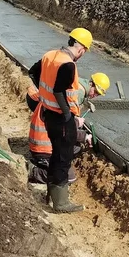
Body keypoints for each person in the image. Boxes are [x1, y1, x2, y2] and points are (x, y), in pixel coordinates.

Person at [30, 28, 97, 213]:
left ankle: (51, 196)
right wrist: (67, 114)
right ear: (82, 48)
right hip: (61, 118)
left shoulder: (50, 55)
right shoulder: (68, 65)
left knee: (56, 156)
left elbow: (33, 73)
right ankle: (61, 203)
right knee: (63, 158)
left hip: (48, 113)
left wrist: (45, 95)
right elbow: (60, 91)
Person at [27, 71, 108, 186]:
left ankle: (46, 162)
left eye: (98, 94)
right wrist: (84, 135)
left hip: (42, 141)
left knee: (75, 147)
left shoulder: (57, 98)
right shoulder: (68, 99)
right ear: (91, 84)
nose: (95, 96)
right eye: (95, 92)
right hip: (44, 147)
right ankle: (34, 171)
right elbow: (66, 129)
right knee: (67, 177)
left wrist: (75, 122)